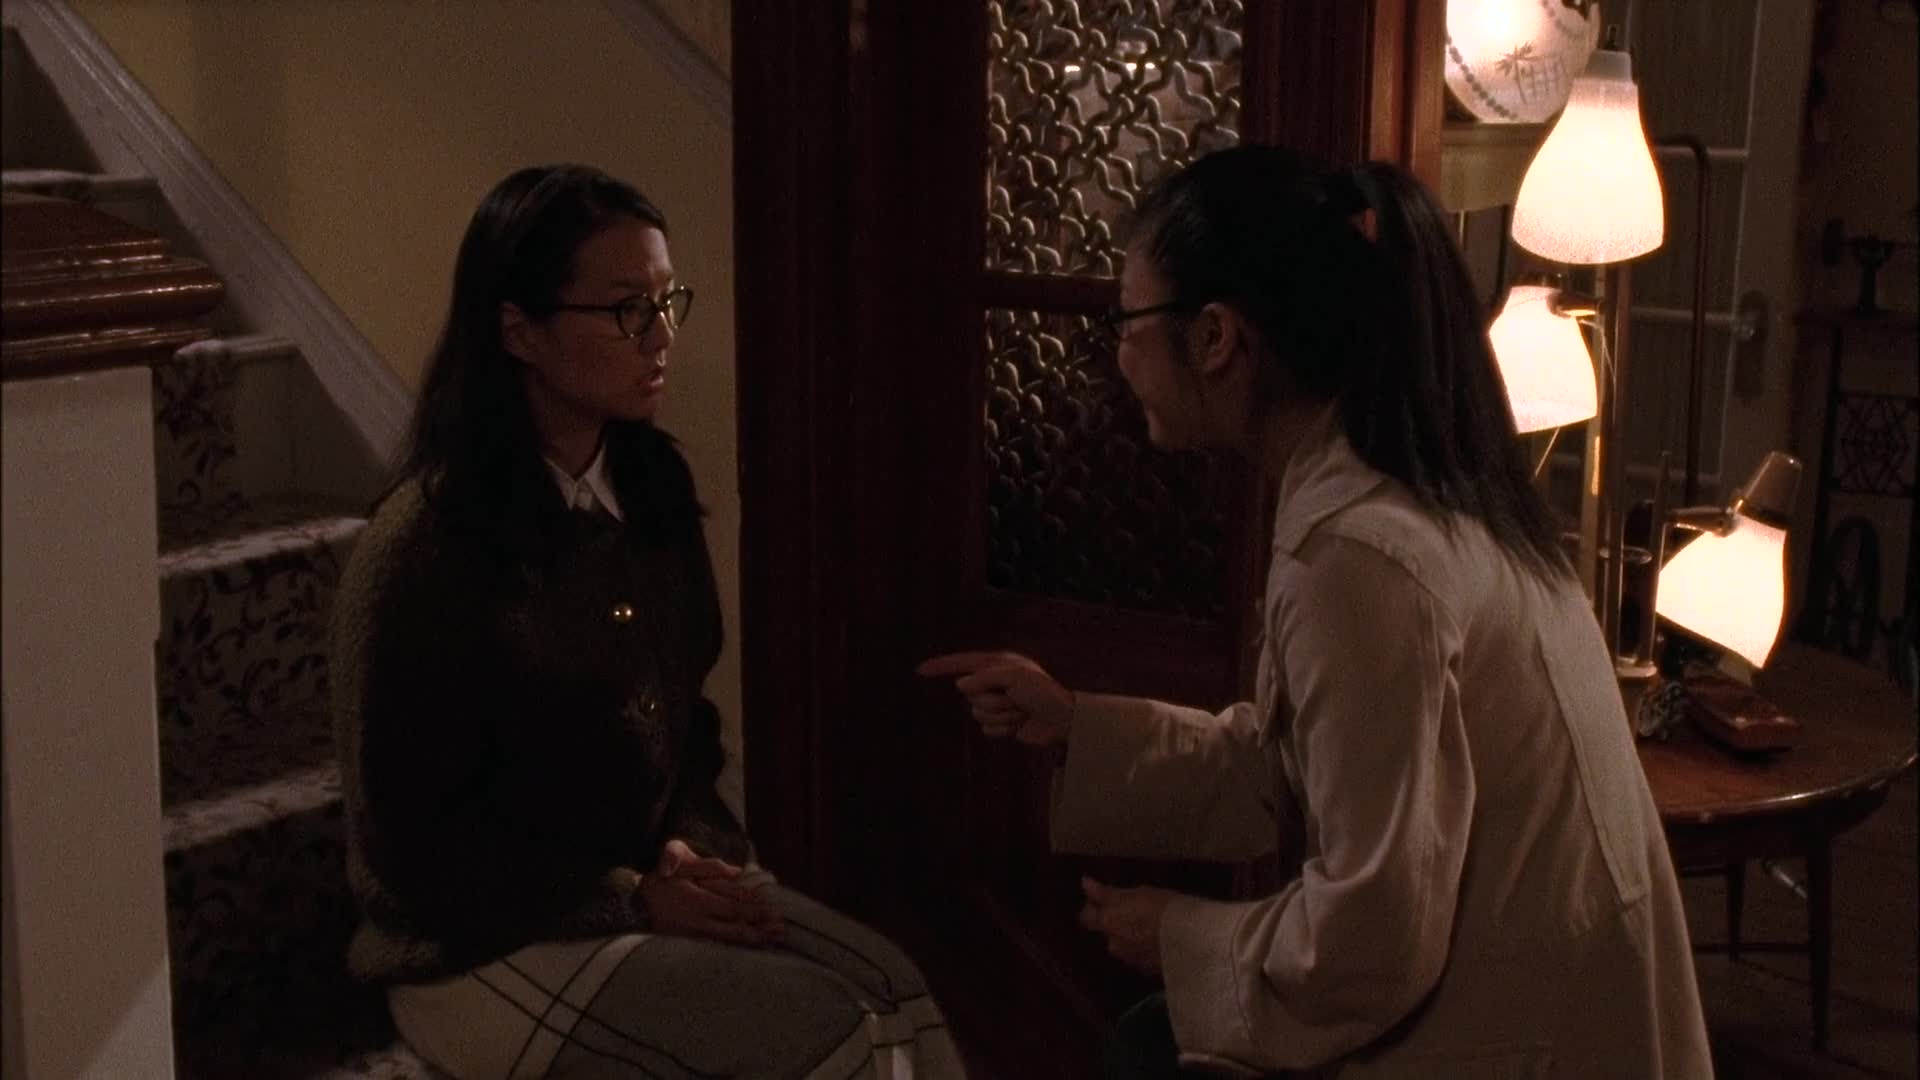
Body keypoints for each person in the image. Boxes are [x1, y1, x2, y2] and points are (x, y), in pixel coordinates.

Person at [919, 145, 1712, 1078]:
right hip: (1548, 1006)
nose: (1117, 353)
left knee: (1146, 1046)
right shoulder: (1407, 487)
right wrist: (1075, 725)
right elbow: (1297, 759)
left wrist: (1183, 935)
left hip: (1524, 1037)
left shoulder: (1360, 555)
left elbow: (1373, 938)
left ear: (1215, 338)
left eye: (1125, 320)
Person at [333, 164, 962, 1079]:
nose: (661, 336)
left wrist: (691, 850)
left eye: (668, 302)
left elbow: (682, 731)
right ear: (518, 330)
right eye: (629, 309)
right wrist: (630, 898)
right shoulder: (424, 550)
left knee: (896, 989)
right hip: (478, 945)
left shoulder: (649, 486)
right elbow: (415, 852)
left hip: (640, 885)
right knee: (822, 1034)